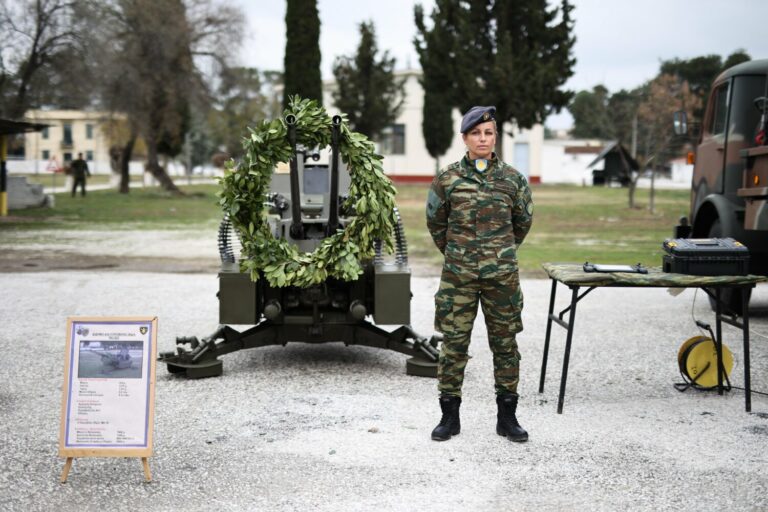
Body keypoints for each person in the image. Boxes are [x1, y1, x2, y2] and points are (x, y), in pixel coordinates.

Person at [425, 106, 533, 442]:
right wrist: (459, 254)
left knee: (505, 345)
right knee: (454, 345)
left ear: (495, 137)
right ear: (465, 138)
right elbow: (435, 222)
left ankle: (507, 418)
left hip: (501, 277)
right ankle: (449, 418)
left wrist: (497, 253)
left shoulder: (513, 179)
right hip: (458, 277)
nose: (482, 139)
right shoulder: (448, 179)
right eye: (476, 133)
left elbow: (523, 223)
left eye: (488, 133)